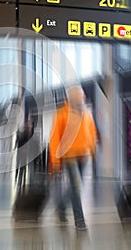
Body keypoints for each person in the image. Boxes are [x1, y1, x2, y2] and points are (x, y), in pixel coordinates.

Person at [49, 85, 97, 230]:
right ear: (70, 97)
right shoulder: (61, 114)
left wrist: (92, 149)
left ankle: (62, 206)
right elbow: (54, 137)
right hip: (69, 156)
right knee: (76, 187)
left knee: (76, 186)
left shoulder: (86, 113)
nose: (82, 97)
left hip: (83, 155)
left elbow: (92, 131)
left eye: (82, 95)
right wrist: (55, 160)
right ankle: (79, 219)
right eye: (79, 95)